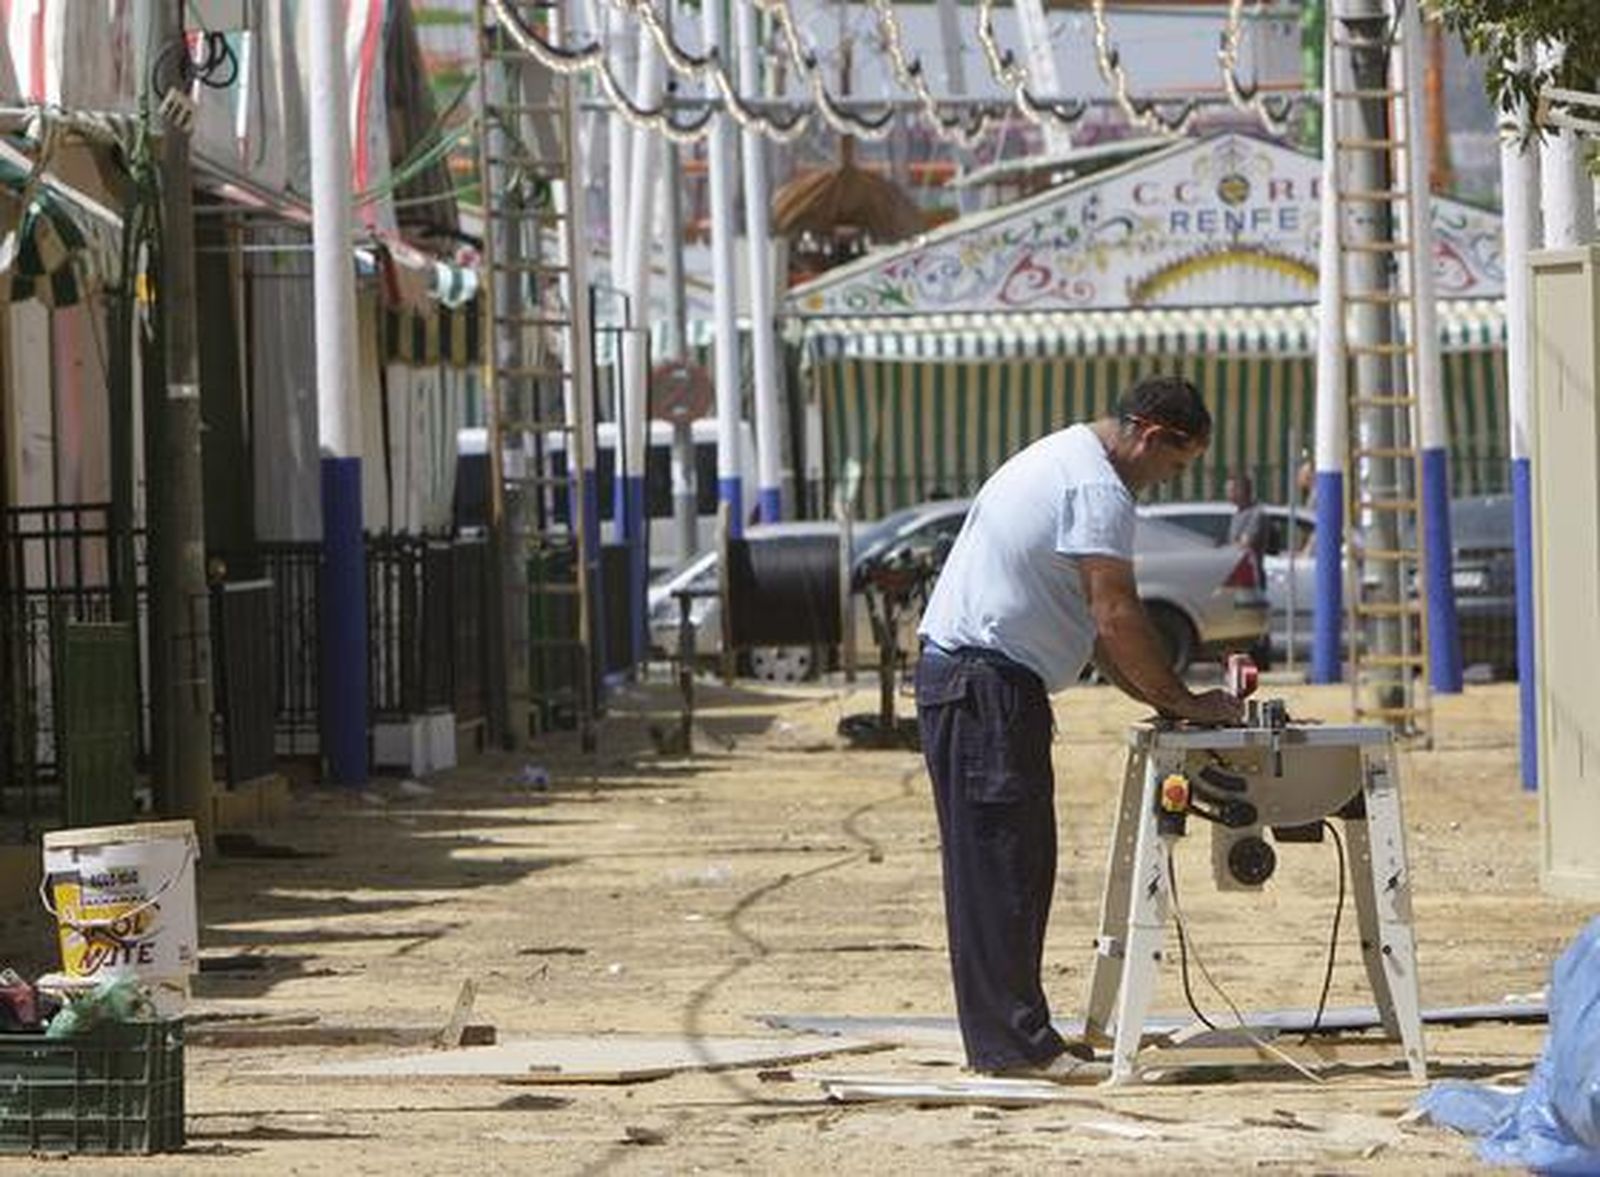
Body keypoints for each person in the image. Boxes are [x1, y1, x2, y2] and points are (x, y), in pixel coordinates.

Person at [914, 374, 1244, 1081]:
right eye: (1175, 464)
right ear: (1153, 435)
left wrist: (1164, 699)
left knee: (1014, 864)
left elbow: (1099, 639)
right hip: (985, 685)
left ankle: (1015, 1035)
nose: (1166, 480)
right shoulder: (1098, 488)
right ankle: (1012, 1047)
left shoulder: (1065, 456)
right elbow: (1116, 614)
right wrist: (1187, 702)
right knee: (1003, 867)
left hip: (981, 680)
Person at [1225, 470, 1271, 581]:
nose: (1227, 494)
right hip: (1237, 577)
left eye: (1230, 490)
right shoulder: (1237, 514)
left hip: (1250, 579)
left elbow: (1244, 546)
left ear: (1240, 491)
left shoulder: (1256, 514)